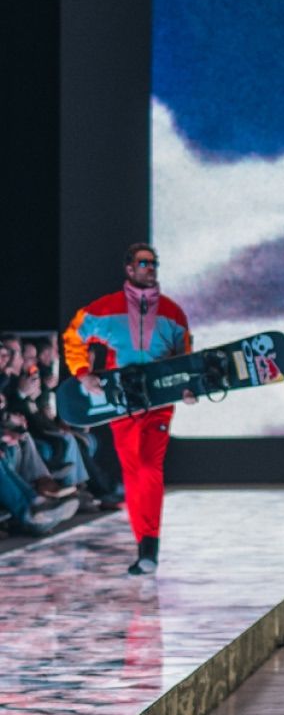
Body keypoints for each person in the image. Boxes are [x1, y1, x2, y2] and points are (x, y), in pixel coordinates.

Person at [63, 243, 192, 575]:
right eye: (144, 263)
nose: (151, 268)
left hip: (158, 403)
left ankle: (150, 546)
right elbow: (74, 335)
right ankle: (143, 546)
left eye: (154, 263)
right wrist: (83, 373)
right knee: (134, 474)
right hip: (120, 405)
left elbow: (187, 357)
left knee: (150, 467)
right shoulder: (107, 309)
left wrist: (189, 385)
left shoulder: (172, 313)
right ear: (129, 269)